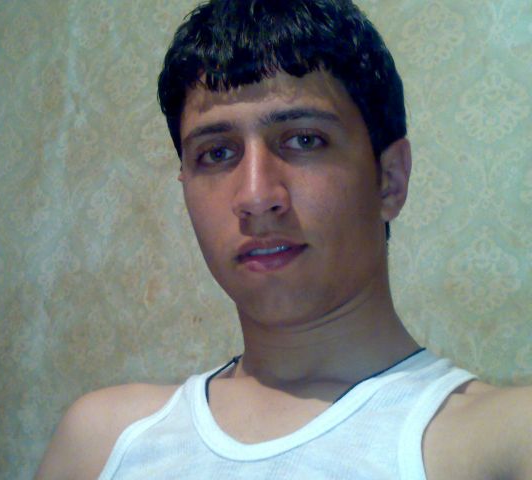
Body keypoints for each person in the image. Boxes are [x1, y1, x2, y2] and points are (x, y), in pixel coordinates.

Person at [36, 1, 532, 478]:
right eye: (216, 153)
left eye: (303, 140)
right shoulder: (103, 442)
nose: (255, 196)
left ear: (389, 180)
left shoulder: (498, 440)